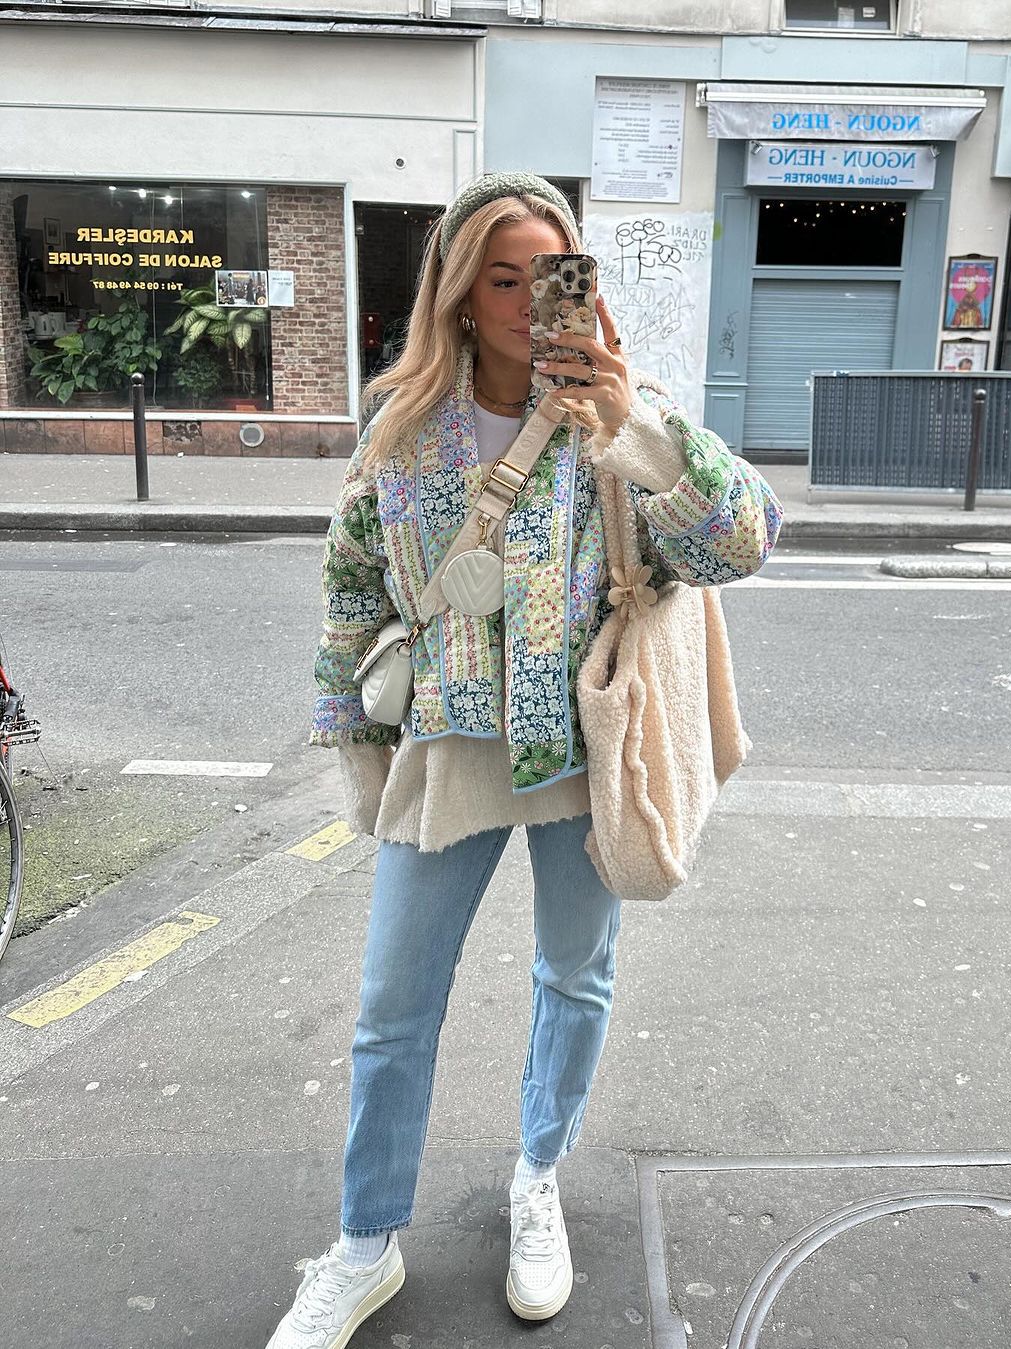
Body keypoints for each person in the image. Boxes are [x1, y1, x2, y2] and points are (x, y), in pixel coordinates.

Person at [266, 171, 782, 1349]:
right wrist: (357, 746)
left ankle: (536, 1176)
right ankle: (364, 1241)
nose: (525, 302)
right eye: (501, 277)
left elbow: (744, 539)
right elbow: (352, 589)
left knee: (574, 976)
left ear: (580, 283)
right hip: (451, 745)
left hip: (582, 749)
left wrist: (632, 422)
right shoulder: (401, 427)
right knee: (392, 1007)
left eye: (549, 275)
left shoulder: (621, 416)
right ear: (457, 290)